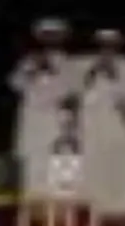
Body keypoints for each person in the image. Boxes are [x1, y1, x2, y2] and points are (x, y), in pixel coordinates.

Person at [9, 17, 77, 199]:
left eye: (55, 35)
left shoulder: (70, 63)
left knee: (63, 164)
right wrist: (35, 69)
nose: (50, 39)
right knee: (33, 164)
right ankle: (32, 204)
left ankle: (63, 206)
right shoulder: (29, 61)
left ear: (62, 38)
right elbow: (15, 84)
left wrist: (53, 70)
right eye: (46, 35)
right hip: (34, 121)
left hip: (58, 120)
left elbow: (75, 91)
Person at [76, 28, 125, 216]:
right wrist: (92, 73)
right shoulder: (82, 63)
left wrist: (114, 76)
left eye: (111, 43)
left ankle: (114, 200)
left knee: (115, 155)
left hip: (113, 118)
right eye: (103, 43)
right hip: (87, 118)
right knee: (87, 156)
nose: (107, 47)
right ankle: (85, 199)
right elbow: (73, 91)